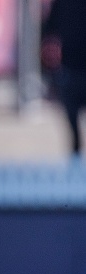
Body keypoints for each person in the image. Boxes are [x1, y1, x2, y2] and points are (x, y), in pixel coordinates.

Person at [41, 0, 86, 158]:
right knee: (72, 127)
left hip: (70, 70)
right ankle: (75, 164)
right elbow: (48, 31)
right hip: (70, 70)